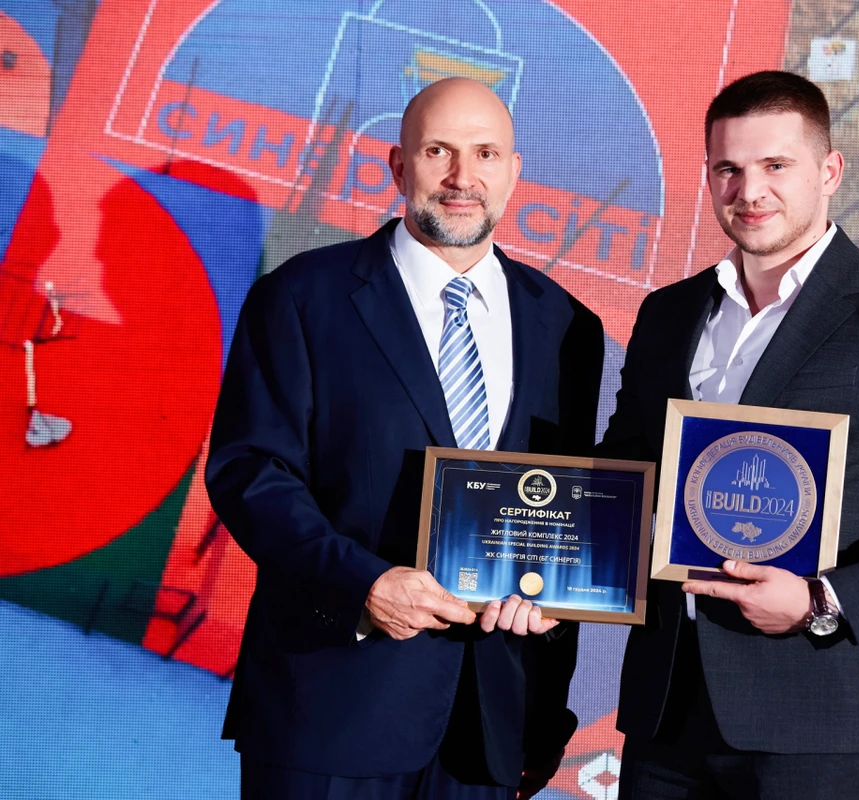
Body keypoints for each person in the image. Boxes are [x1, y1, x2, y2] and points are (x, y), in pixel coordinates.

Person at [601, 71, 859, 799]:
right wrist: (524, 551)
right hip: (668, 712)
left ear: (829, 171)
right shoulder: (668, 313)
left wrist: (822, 601)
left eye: (775, 165)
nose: (749, 191)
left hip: (823, 719)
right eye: (728, 169)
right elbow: (624, 478)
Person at [206, 77, 604, 799]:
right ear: (398, 165)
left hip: (487, 730)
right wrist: (364, 583)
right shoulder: (301, 296)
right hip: (331, 707)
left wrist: (544, 713)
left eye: (486, 154)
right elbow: (251, 471)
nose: (462, 177)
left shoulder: (566, 325)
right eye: (437, 151)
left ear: (515, 172)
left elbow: (562, 510)